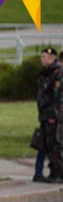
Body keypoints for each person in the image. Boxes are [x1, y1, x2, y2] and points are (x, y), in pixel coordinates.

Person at [35, 47, 63, 183]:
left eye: (45, 57)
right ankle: (39, 172)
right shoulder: (45, 74)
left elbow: (57, 96)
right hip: (45, 114)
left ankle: (56, 173)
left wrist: (53, 114)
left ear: (52, 58)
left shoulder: (57, 73)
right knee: (43, 143)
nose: (42, 59)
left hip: (52, 115)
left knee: (53, 145)